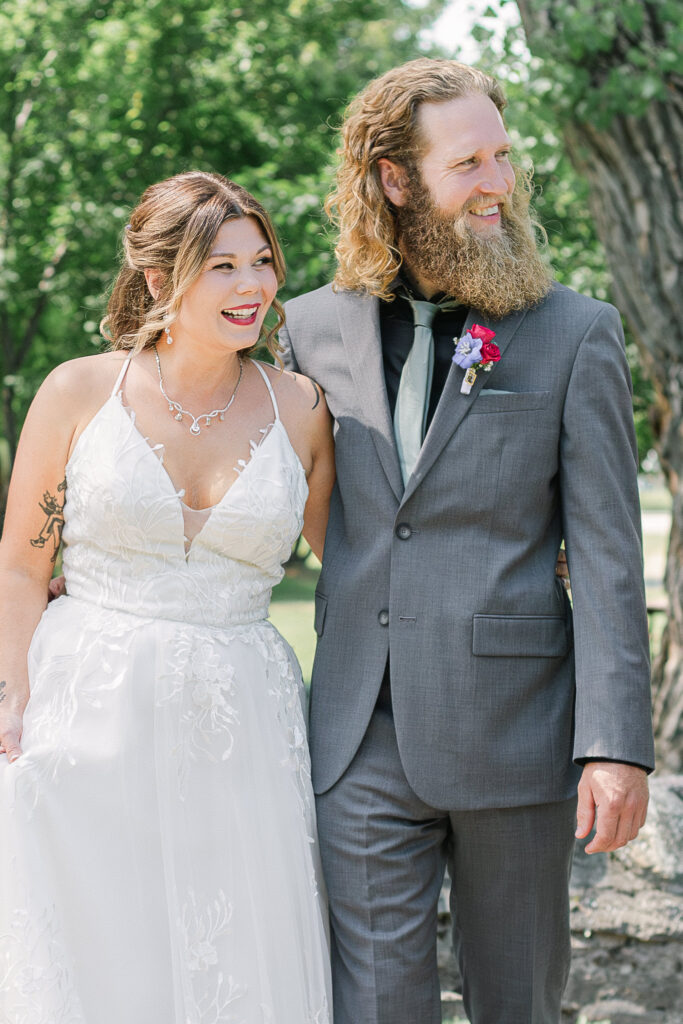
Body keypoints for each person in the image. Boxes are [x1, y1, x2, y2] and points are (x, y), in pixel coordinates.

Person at [279, 58, 655, 1024]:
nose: (497, 183)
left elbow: (610, 556)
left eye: (501, 156)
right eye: (467, 164)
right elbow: (255, 495)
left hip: (517, 735)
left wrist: (615, 747)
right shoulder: (304, 333)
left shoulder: (576, 334)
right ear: (393, 179)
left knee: (516, 1006)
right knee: (372, 1008)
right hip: (356, 737)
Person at [0, 171, 335, 1023]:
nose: (253, 284)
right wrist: (12, 698)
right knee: (97, 949)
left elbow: (357, 565)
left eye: (261, 261)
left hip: (245, 727)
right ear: (159, 279)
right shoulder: (78, 391)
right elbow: (20, 566)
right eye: (222, 265)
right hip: (88, 710)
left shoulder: (300, 409)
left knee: (235, 955)